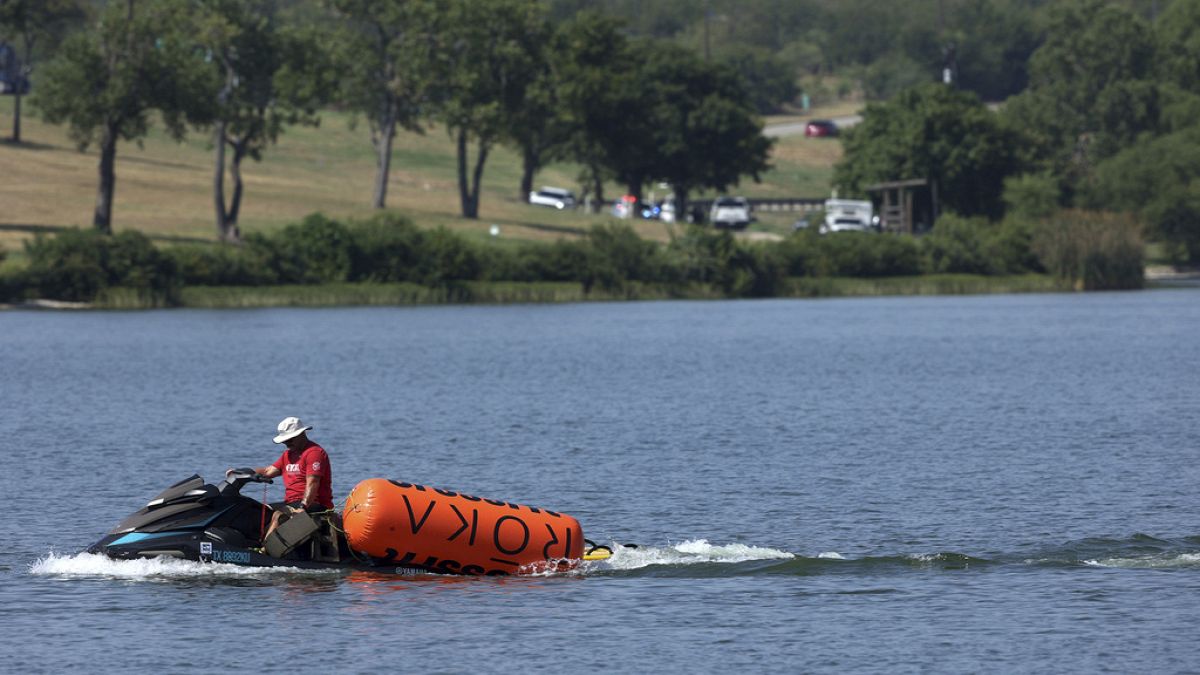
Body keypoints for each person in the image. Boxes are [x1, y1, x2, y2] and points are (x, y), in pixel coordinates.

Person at [230, 416, 334, 543]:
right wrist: (239, 472)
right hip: (291, 502)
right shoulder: (288, 455)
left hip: (315, 505)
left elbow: (313, 482)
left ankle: (265, 550)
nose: (287, 443)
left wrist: (303, 507)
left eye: (290, 439)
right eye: (285, 441)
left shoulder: (314, 453)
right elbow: (268, 472)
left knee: (278, 515)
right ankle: (249, 543)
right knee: (257, 509)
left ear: (301, 434)